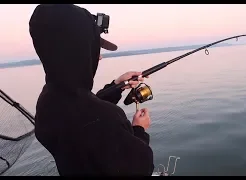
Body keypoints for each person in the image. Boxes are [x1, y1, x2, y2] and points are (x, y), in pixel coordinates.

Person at [29, 4, 154, 176]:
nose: (99, 56)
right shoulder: (106, 118)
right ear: (76, 51)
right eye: (93, 48)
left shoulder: (48, 101)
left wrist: (116, 85)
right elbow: (140, 167)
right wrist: (139, 130)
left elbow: (82, 109)